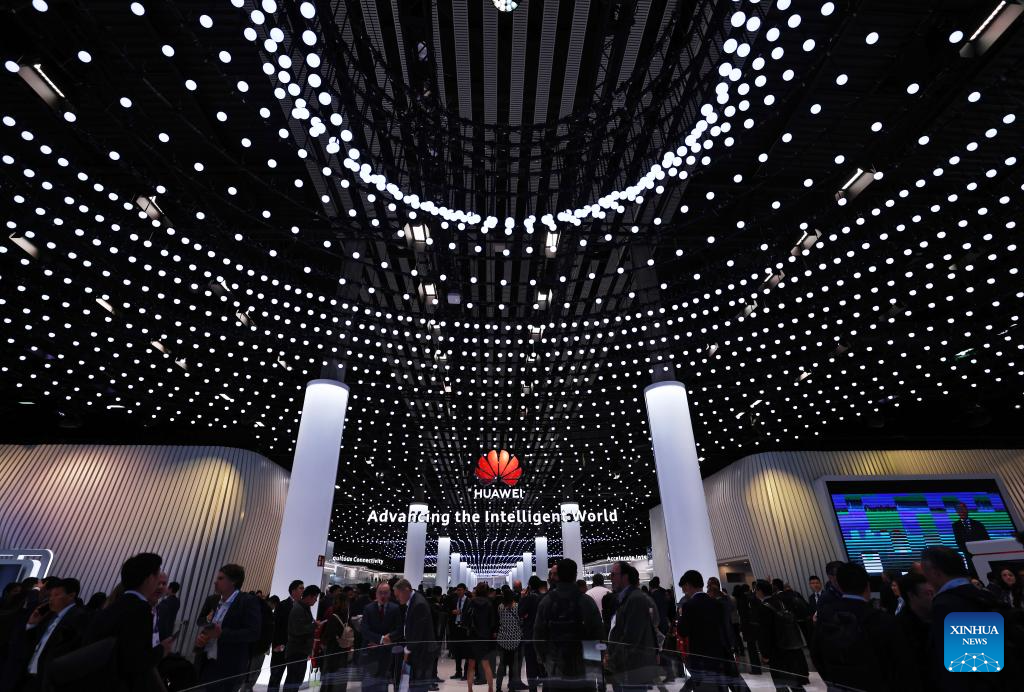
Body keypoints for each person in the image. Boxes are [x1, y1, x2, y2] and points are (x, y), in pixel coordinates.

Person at [921, 545, 1019, 690]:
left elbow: (973, 665)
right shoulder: (984, 595)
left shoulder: (948, 604)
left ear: (935, 572)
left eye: (925, 573)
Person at [83, 552, 174, 690]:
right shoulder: (141, 610)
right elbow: (134, 661)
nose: (159, 585)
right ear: (149, 578)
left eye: (164, 583)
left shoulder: (114, 607)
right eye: (157, 578)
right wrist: (162, 650)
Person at [811, 562, 903, 691]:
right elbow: (900, 663)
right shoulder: (881, 619)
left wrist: (833, 679)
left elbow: (816, 652)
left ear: (839, 585)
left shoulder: (827, 615)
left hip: (841, 684)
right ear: (867, 585)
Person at [533, 559, 603, 692]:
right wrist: (594, 664)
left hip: (556, 667)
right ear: (575, 575)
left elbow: (538, 635)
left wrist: (545, 661)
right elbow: (597, 634)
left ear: (558, 575)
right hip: (583, 667)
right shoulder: (586, 601)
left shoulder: (547, 602)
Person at [194, 564, 261, 692]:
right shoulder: (213, 600)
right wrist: (204, 635)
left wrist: (222, 634)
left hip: (229, 668)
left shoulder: (247, 601)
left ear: (233, 581)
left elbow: (253, 632)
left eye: (220, 578)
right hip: (205, 662)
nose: (215, 582)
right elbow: (202, 622)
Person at [11, 577, 85, 692]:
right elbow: (34, 643)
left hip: (47, 681)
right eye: (50, 595)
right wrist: (31, 624)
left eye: (56, 595)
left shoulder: (78, 618)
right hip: (29, 676)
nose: (51, 599)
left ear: (71, 596)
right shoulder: (48, 615)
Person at [677, 570, 736, 690]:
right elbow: (726, 629)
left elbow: (683, 631)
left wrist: (681, 615)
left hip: (700, 660)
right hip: (720, 657)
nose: (683, 592)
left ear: (688, 585)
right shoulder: (717, 604)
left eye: (683, 589)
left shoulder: (689, 606)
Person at [606, 561, 658, 691]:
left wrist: (612, 660)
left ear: (625, 577)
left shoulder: (635, 599)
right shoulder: (626, 598)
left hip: (633, 669)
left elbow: (630, 639)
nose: (611, 578)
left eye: (613, 574)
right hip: (627, 668)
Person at [752, 579, 808, 691]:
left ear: (760, 591)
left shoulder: (763, 607)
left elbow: (764, 633)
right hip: (789, 645)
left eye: (756, 590)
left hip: (775, 650)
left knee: (780, 682)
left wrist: (765, 653)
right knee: (794, 679)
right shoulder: (780, 601)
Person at [386, 579, 436, 692]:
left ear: (406, 590)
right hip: (418, 651)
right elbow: (409, 627)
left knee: (418, 686)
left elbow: (418, 633)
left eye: (398, 596)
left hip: (422, 653)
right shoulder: (414, 601)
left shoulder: (418, 604)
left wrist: (407, 650)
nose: (397, 599)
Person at [894, 572, 934, 692]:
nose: (934, 597)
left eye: (935, 592)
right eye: (929, 594)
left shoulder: (942, 616)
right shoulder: (899, 629)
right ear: (911, 596)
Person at [360, 582, 400, 692]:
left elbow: (399, 629)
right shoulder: (368, 608)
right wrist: (381, 639)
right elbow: (364, 630)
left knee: (382, 684)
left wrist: (389, 638)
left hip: (386, 653)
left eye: (385, 593)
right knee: (368, 684)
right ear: (376, 594)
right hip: (370, 652)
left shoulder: (395, 608)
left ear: (390, 594)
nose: (383, 595)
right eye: (380, 593)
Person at [268, 579, 303, 692]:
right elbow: (276, 627)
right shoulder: (282, 605)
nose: (303, 590)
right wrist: (276, 645)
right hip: (281, 649)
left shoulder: (302, 607)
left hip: (295, 651)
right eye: (301, 588)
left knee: (292, 680)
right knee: (275, 679)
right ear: (293, 590)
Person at [283, 585, 320, 691]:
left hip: (301, 651)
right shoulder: (298, 609)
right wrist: (314, 625)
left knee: (296, 680)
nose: (316, 600)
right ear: (309, 596)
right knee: (293, 680)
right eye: (315, 597)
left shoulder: (304, 608)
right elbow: (298, 630)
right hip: (296, 651)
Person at [462, 582, 496, 692]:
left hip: (472, 636)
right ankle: (490, 689)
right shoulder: (489, 603)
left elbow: (465, 619)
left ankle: (470, 689)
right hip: (485, 636)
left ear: (476, 590)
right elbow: (492, 622)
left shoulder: (471, 602)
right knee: (486, 664)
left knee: (471, 665)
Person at [320, 589, 354, 692]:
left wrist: (323, 642)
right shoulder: (347, 614)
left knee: (329, 674)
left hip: (332, 649)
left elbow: (328, 634)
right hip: (343, 649)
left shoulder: (333, 614)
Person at [243, 590, 275, 692]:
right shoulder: (261, 612)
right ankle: (246, 688)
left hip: (260, 648)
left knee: (254, 671)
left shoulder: (267, 613)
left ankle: (248, 688)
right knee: (251, 671)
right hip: (256, 648)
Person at [517, 576, 543, 692]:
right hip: (542, 635)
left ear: (530, 586)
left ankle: (533, 689)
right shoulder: (544, 597)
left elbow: (520, 612)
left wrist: (522, 598)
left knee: (531, 664)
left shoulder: (529, 598)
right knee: (543, 664)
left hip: (530, 634)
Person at [952, 502, 990, 576]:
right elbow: (959, 541)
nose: (961, 511)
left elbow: (987, 539)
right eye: (959, 509)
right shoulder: (955, 526)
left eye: (963, 508)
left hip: (982, 554)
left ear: (967, 510)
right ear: (957, 512)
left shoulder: (978, 524)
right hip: (969, 557)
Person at [495, 589, 523, 692]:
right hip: (515, 639)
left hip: (503, 639)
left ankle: (498, 688)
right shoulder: (517, 607)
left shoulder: (500, 607)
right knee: (513, 665)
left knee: (502, 664)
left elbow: (500, 620)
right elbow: (521, 620)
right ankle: (512, 687)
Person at [447, 583, 470, 680]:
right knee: (456, 651)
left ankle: (466, 673)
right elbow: (448, 611)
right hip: (455, 627)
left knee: (466, 651)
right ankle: (458, 672)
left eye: (460, 590)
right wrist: (452, 612)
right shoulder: (454, 600)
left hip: (464, 628)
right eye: (457, 590)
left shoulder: (469, 601)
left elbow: (470, 614)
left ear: (465, 590)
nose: (458, 592)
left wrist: (462, 613)